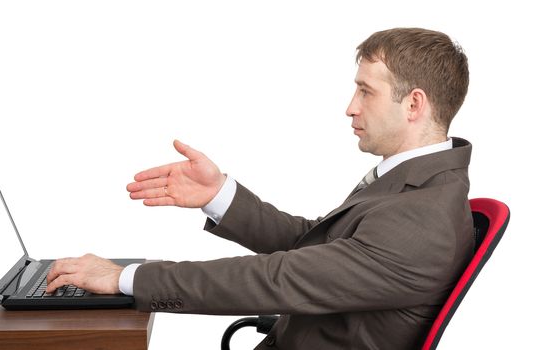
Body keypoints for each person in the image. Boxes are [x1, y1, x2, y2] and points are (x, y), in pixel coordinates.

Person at [46, 27, 473, 349]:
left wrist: (127, 278)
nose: (350, 107)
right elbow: (316, 249)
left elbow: (278, 278)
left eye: (365, 91)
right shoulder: (415, 184)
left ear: (414, 104)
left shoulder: (423, 218)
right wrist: (220, 195)